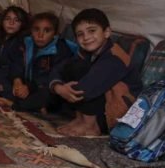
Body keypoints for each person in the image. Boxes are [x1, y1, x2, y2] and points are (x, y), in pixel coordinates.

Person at [50, 8, 142, 136]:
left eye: (92, 31)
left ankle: (90, 125)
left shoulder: (114, 58)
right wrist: (58, 87)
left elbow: (86, 89)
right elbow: (58, 69)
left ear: (106, 32)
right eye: (80, 34)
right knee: (74, 67)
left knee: (87, 76)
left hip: (120, 113)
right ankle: (81, 120)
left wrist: (64, 90)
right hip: (98, 102)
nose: (86, 37)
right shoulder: (86, 53)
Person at [9, 12, 77, 113]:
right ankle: (35, 106)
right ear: (31, 30)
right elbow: (17, 63)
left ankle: (17, 104)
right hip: (27, 83)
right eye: (36, 30)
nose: (40, 35)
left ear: (55, 34)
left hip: (47, 86)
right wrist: (17, 80)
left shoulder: (61, 49)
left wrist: (29, 88)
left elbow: (52, 76)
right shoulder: (26, 43)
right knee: (3, 80)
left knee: (47, 95)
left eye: (47, 30)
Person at [0, 5, 29, 102]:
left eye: (16, 20)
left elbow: (17, 65)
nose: (11, 23)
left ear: (22, 24)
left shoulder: (20, 42)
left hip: (11, 77)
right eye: (8, 19)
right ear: (2, 21)